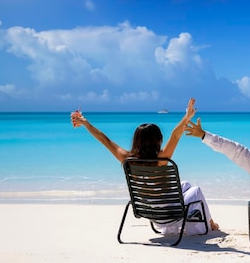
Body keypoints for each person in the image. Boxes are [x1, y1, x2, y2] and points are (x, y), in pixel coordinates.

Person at [71, 98, 219, 234]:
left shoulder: (127, 159)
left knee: (186, 185)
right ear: (158, 140)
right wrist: (187, 117)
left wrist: (85, 123)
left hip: (150, 213)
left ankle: (203, 221)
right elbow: (175, 135)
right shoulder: (160, 160)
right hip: (169, 215)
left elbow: (104, 140)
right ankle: (210, 223)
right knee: (196, 190)